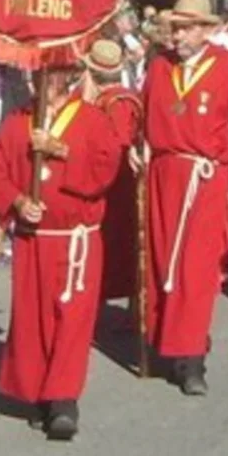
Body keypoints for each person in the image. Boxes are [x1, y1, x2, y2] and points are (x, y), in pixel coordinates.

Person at [0, 61, 122, 441]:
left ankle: (63, 399)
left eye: (48, 75)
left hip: (77, 239)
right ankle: (39, 392)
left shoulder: (92, 119)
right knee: (33, 318)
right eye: (35, 75)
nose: (38, 82)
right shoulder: (16, 122)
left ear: (66, 78)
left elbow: (107, 168)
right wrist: (16, 202)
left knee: (73, 318)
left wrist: (61, 149)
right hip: (34, 240)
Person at [142, 0, 228, 395]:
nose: (177, 36)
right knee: (162, 263)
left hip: (205, 178)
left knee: (195, 268)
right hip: (162, 175)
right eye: (174, 28)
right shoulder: (159, 67)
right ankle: (165, 343)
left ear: (205, 30)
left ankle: (192, 357)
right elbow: (142, 119)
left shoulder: (227, 68)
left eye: (185, 28)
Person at [87, 39, 143, 304]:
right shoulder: (123, 96)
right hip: (119, 175)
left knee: (119, 238)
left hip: (116, 178)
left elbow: (119, 142)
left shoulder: (114, 102)